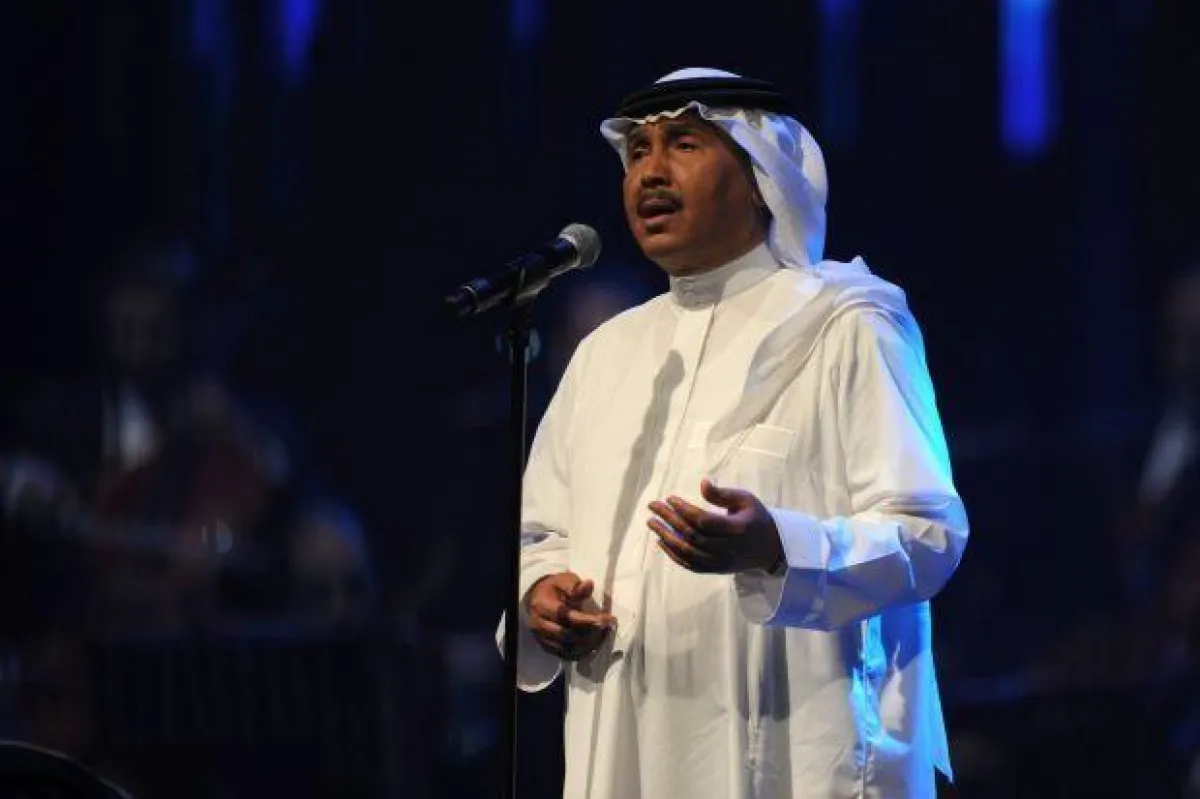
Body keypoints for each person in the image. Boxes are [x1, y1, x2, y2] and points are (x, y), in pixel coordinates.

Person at [497, 67, 969, 798]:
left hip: (794, 752)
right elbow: (541, 536)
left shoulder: (849, 323)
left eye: (683, 144)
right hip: (626, 748)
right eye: (638, 151)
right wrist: (543, 596)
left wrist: (778, 547)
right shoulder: (605, 353)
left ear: (760, 177)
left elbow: (927, 533)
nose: (650, 172)